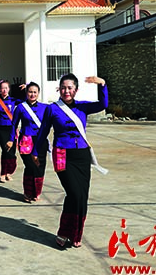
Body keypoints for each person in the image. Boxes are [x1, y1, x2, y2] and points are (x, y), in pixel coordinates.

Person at [31, 73, 108, 249]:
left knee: (82, 197)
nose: (67, 91)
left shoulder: (82, 107)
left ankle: (75, 235)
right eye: (64, 87)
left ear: (76, 90)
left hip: (82, 155)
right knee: (73, 193)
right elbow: (43, 132)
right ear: (59, 88)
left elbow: (103, 104)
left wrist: (102, 84)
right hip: (62, 155)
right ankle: (64, 232)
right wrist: (35, 152)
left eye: (70, 88)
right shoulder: (52, 109)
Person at [12, 82, 47, 203]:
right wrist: (11, 140)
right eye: (30, 92)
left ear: (38, 93)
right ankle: (28, 192)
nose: (32, 94)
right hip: (26, 140)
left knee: (39, 166)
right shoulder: (20, 107)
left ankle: (36, 192)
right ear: (26, 93)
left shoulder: (45, 107)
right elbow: (14, 125)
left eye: (35, 92)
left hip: (40, 140)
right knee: (30, 166)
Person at [0, 80, 20, 183]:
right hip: (0, 128)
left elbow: (26, 101)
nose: (4, 90)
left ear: (9, 89)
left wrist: (26, 87)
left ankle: (8, 172)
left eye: (6, 88)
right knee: (6, 150)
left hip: (11, 128)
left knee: (12, 152)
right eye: (2, 88)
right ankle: (2, 173)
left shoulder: (13, 100)